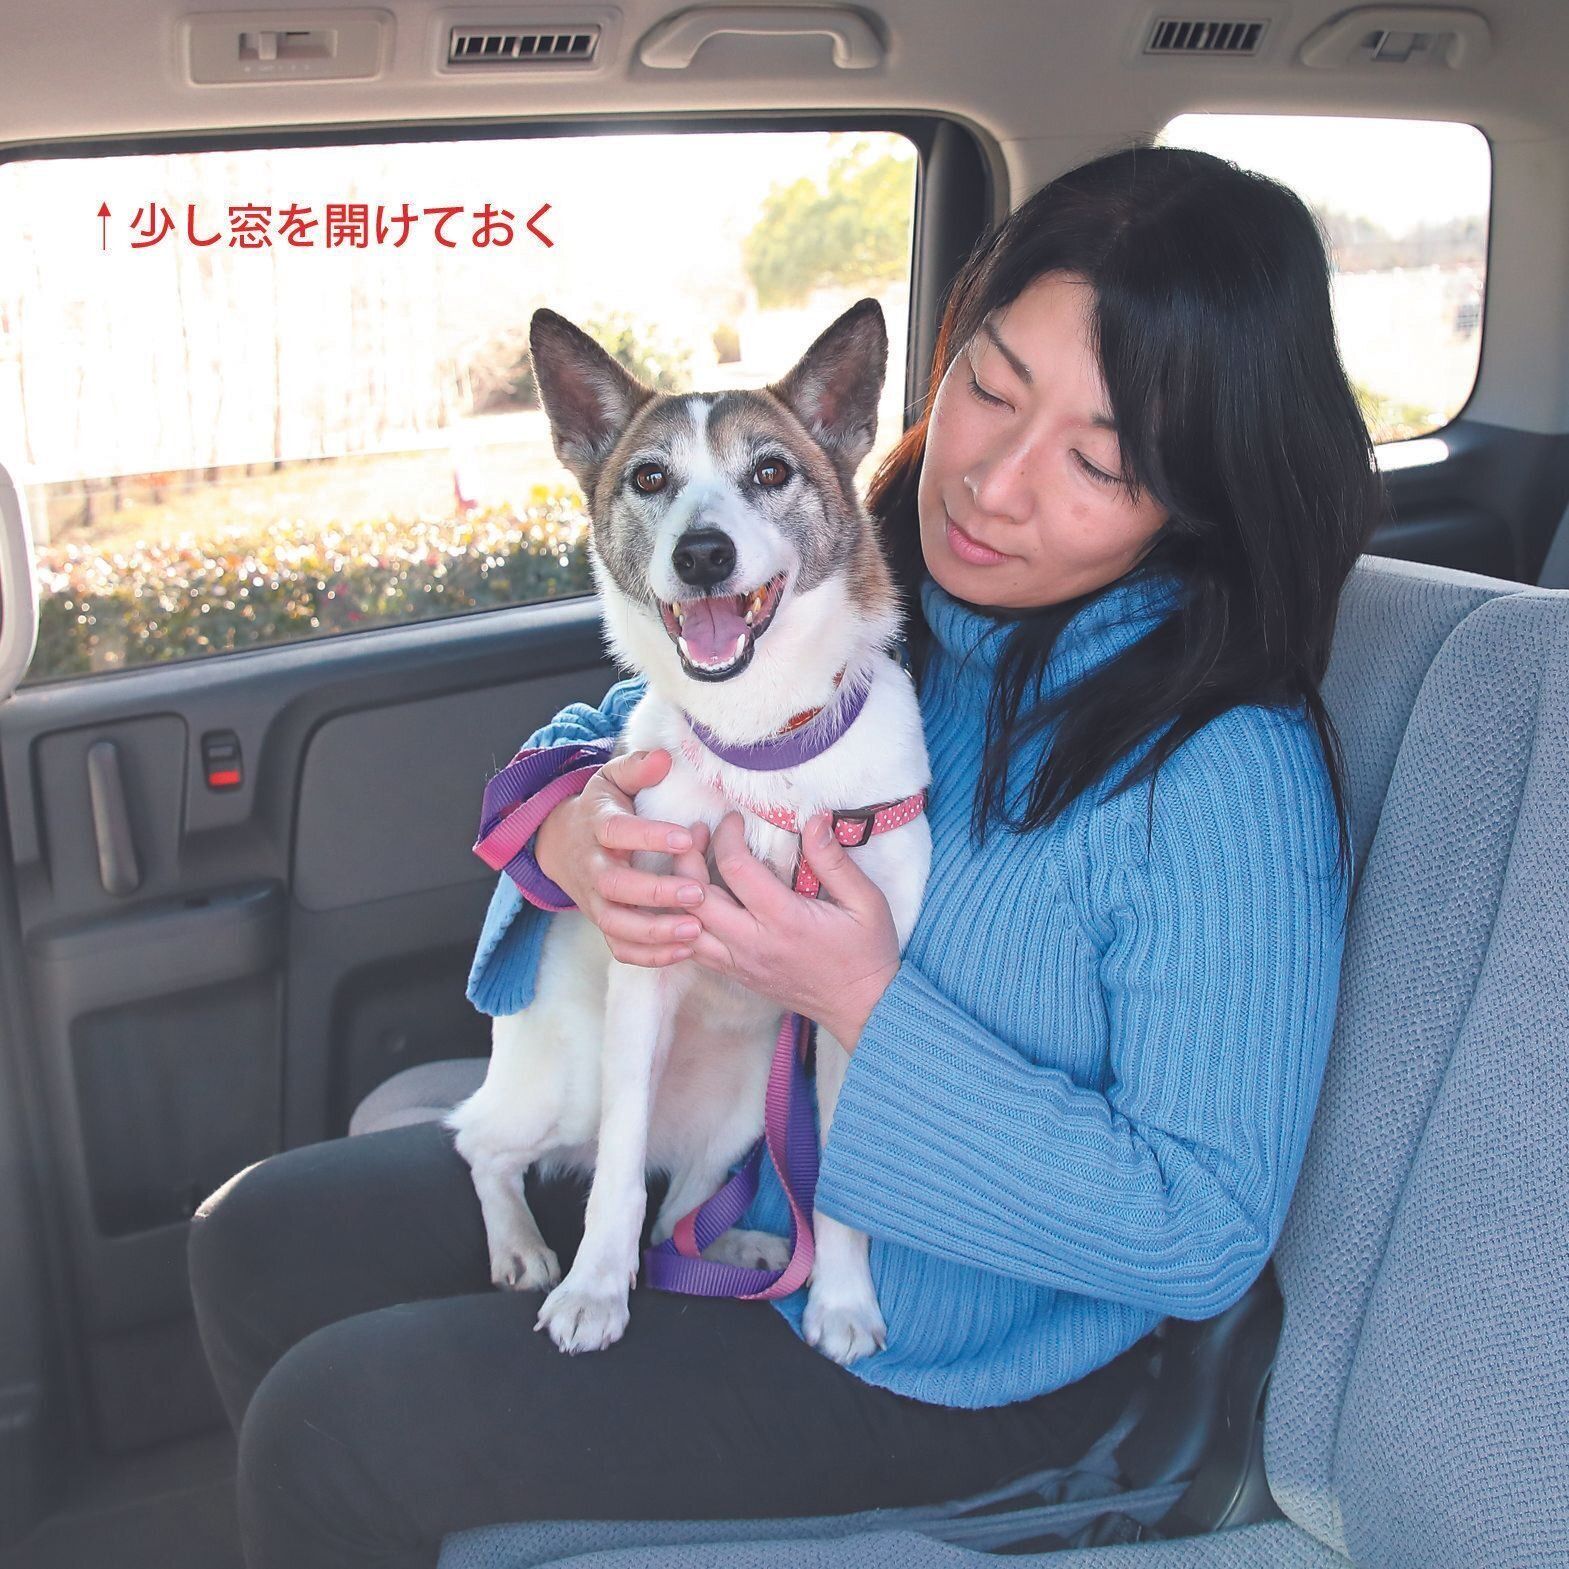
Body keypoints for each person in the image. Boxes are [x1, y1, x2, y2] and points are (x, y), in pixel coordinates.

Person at [187, 141, 1381, 1568]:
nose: (991, 482)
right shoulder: (867, 575)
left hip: (939, 1357)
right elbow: (602, 727)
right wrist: (572, 826)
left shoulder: (1217, 768)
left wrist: (861, 999)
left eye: (1095, 458)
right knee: (258, 1239)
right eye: (988, 387)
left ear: (1196, 490)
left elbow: (1198, 1229)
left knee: (333, 1433)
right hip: (720, 1164)